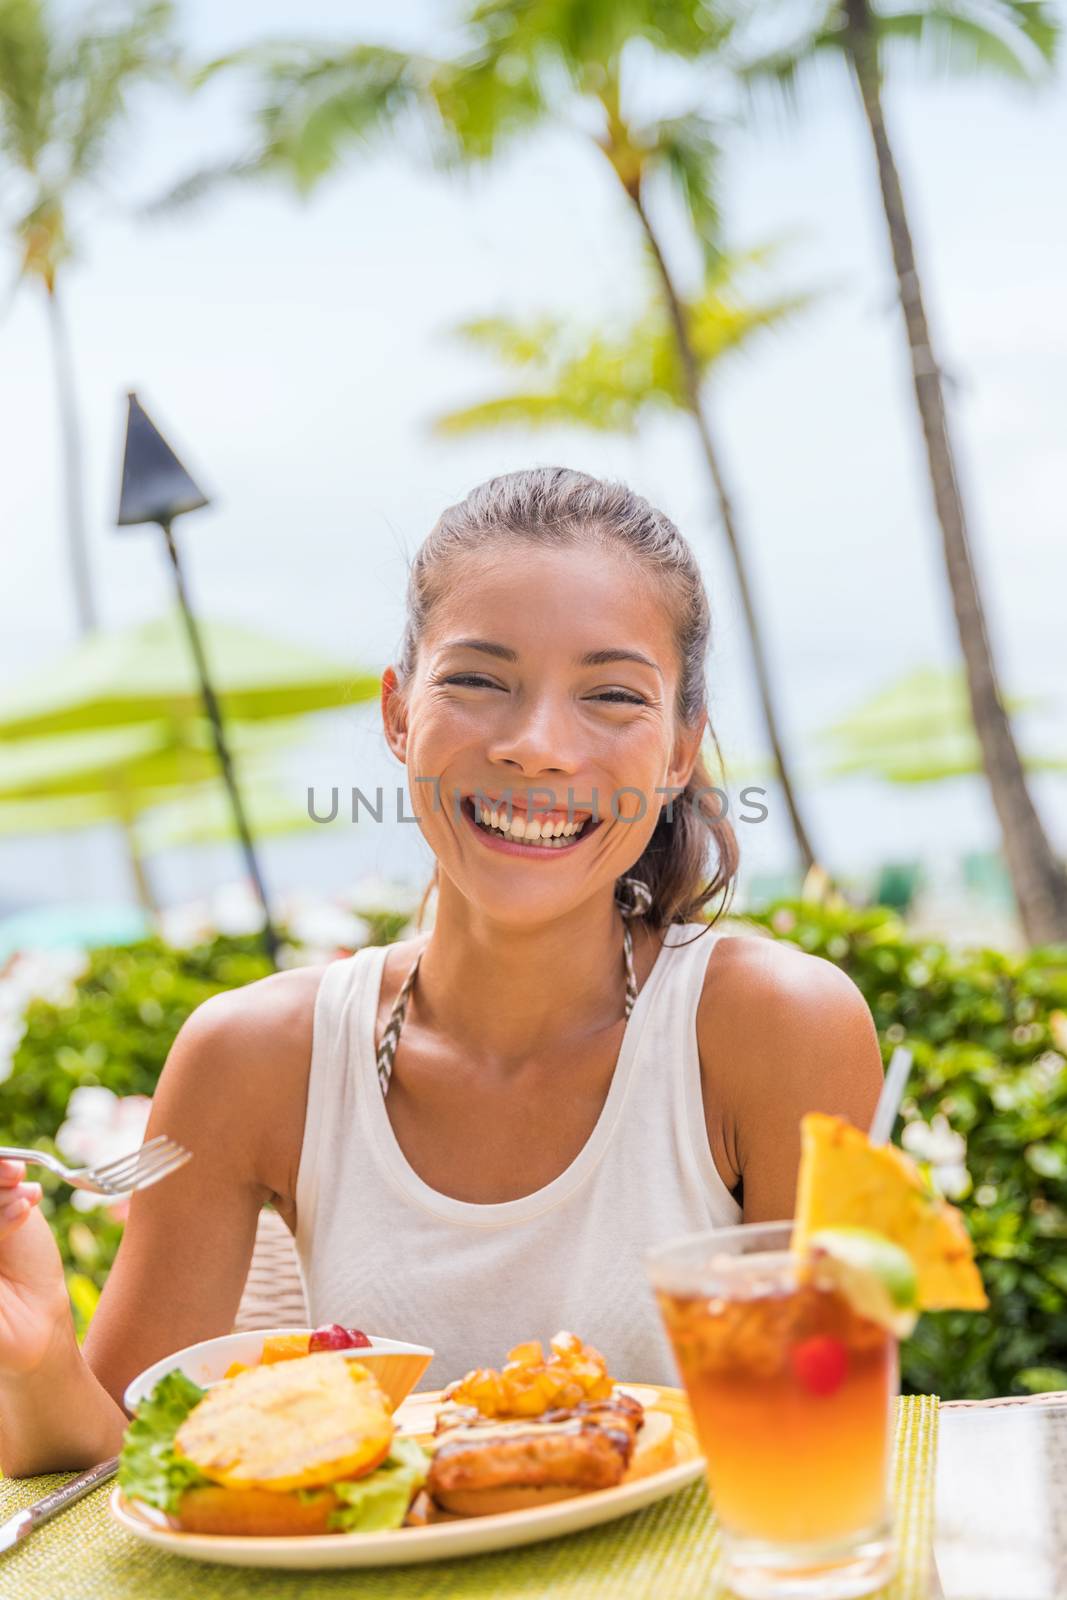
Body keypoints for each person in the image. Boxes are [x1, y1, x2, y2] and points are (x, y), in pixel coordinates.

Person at [0, 468, 882, 1475]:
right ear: (396, 713)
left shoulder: (770, 1030)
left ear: (680, 748)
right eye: (476, 680)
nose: (537, 747)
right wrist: (30, 1355)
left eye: (610, 694)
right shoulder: (251, 1059)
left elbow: (829, 1436)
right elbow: (116, 1464)